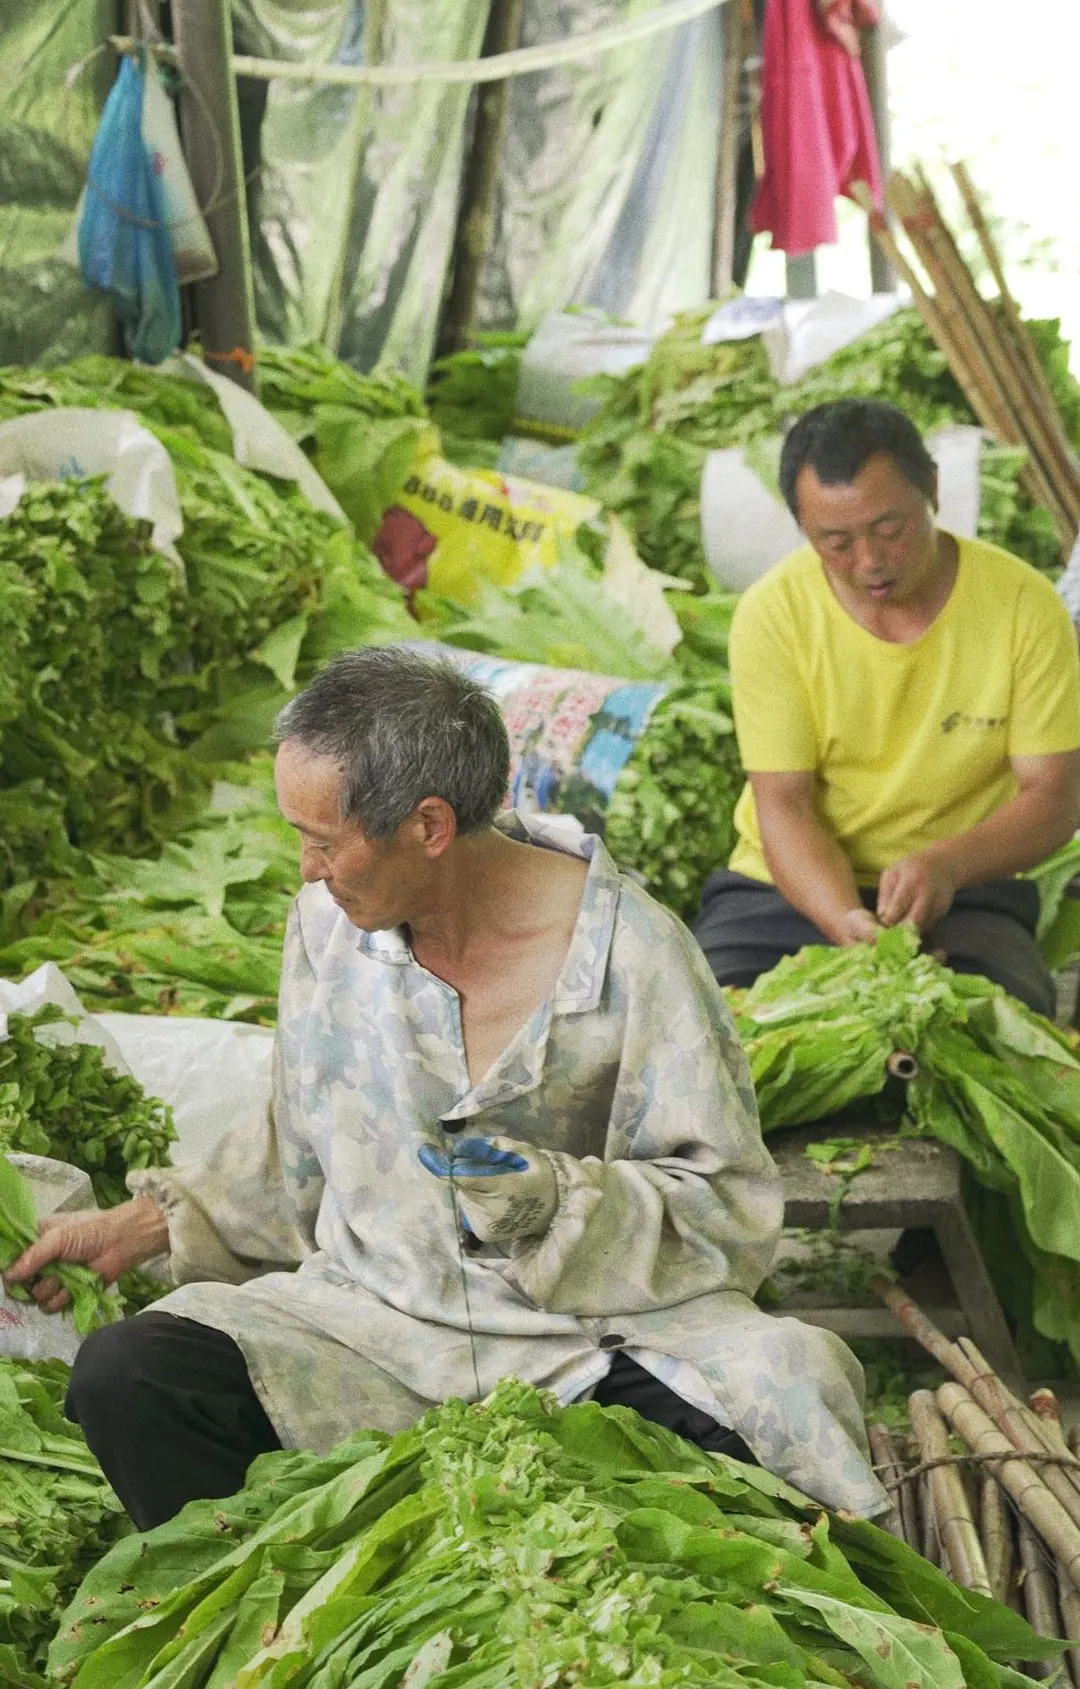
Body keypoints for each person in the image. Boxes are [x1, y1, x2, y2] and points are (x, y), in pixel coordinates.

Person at [4, 648, 887, 1530]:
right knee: (131, 1374)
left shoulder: (632, 956)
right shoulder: (329, 928)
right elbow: (299, 1148)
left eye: (323, 840)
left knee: (788, 1390)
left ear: (428, 825)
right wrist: (145, 1224)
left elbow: (724, 1207)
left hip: (581, 1343)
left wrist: (555, 1200)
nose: (308, 867)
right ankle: (280, 1622)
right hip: (370, 1328)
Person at [694, 398, 1080, 1014]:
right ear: (801, 527)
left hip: (966, 890)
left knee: (987, 1034)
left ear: (932, 487)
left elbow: (1054, 798)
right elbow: (783, 802)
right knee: (709, 1026)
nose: (870, 562)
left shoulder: (1024, 608)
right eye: (836, 542)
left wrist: (947, 865)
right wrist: (845, 919)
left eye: (890, 529)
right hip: (787, 891)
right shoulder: (772, 615)